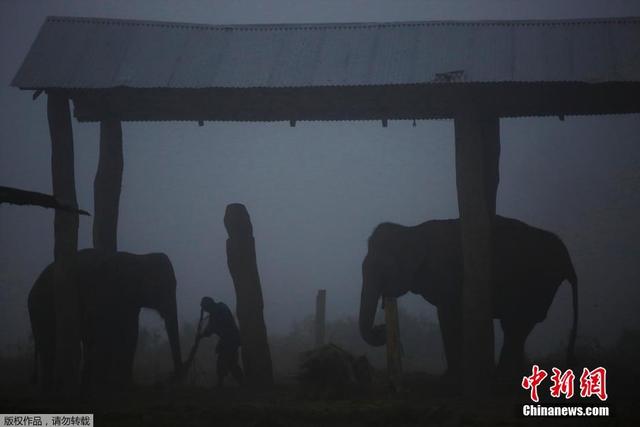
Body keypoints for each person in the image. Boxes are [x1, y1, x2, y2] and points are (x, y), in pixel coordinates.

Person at [198, 296, 244, 387]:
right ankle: (237, 383)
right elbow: (210, 329)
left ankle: (239, 383)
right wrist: (203, 334)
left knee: (227, 363)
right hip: (228, 340)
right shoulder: (217, 310)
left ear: (209, 305)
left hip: (231, 340)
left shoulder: (220, 309)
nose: (206, 310)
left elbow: (213, 327)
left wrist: (203, 334)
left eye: (206, 308)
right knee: (229, 363)